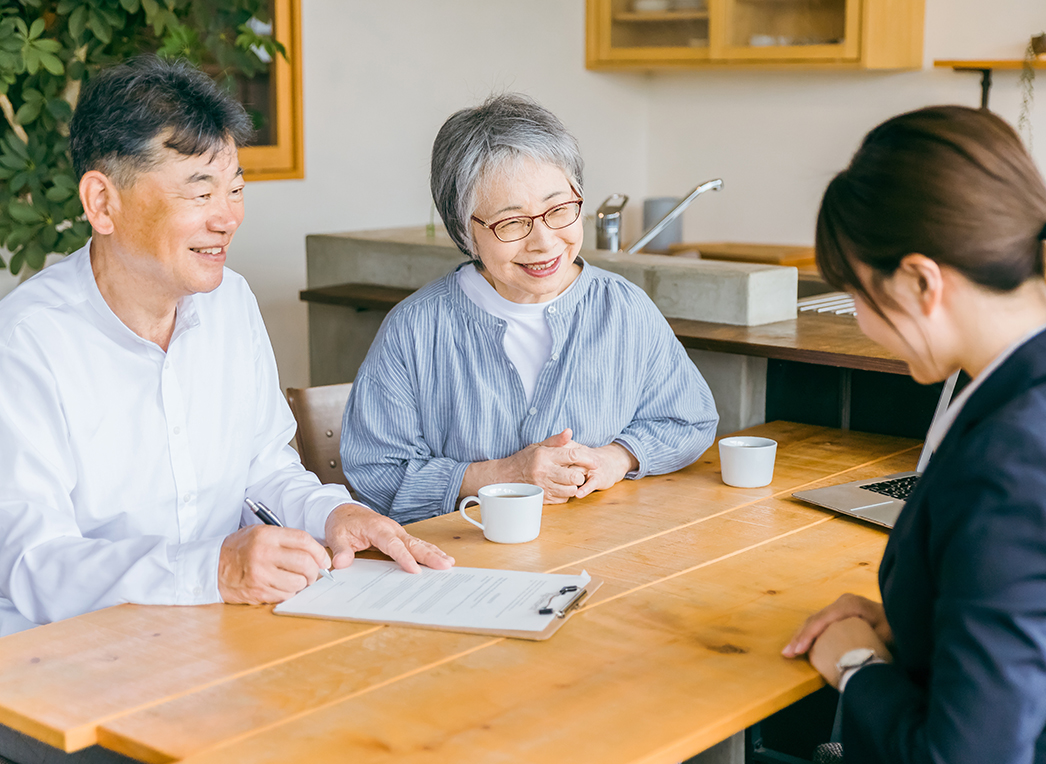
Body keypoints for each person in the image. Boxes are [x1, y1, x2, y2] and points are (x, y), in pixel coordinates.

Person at [0, 56, 454, 641]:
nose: (228, 218)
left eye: (235, 189)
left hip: (217, 634)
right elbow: (32, 566)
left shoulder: (229, 302)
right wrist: (214, 570)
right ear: (102, 203)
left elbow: (264, 468)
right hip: (64, 664)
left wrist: (336, 514)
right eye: (200, 192)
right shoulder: (24, 342)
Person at [782, 105, 1046, 763]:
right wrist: (916, 625)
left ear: (921, 280)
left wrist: (859, 667)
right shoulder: (1011, 391)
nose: (864, 324)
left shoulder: (1009, 460)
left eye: (859, 298)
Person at [341, 94, 718, 523]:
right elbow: (376, 475)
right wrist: (505, 474)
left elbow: (688, 420)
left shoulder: (623, 309)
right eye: (512, 222)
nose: (543, 241)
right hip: (466, 562)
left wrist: (615, 459)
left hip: (603, 550)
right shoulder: (416, 328)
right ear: (465, 232)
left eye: (559, 210)